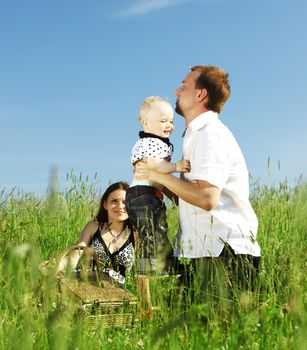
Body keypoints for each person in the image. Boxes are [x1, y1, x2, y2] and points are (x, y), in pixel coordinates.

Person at [136, 65, 261, 309]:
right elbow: (193, 197)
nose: (176, 90)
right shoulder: (195, 136)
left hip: (224, 256)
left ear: (200, 95)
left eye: (184, 85)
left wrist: (158, 174)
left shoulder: (210, 134)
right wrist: (158, 179)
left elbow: (206, 197)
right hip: (202, 254)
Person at [125, 96, 190, 308]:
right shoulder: (148, 143)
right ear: (146, 124)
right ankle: (150, 266)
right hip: (143, 195)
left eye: (171, 121)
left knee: (157, 229)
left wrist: (174, 196)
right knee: (151, 232)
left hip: (147, 195)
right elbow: (155, 166)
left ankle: (165, 261)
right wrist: (176, 167)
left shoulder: (158, 142)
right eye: (163, 121)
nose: (169, 125)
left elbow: (160, 179)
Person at [57, 182, 135, 286]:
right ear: (105, 204)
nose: (120, 206)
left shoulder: (136, 233)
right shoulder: (93, 227)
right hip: (90, 289)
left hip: (123, 294)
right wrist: (57, 265)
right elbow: (77, 253)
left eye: (125, 202)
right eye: (114, 201)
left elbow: (143, 273)